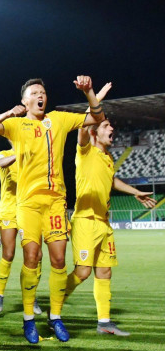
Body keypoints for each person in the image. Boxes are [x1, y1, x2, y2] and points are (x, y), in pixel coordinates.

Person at [0, 75, 104, 343]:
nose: (40, 96)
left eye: (43, 92)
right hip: (28, 204)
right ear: (25, 101)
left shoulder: (59, 119)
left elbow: (95, 117)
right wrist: (9, 112)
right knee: (32, 256)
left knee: (59, 259)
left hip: (57, 202)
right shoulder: (17, 124)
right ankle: (28, 318)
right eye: (34, 93)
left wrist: (90, 91)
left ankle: (55, 316)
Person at [63, 83, 155, 336]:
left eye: (110, 126)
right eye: (106, 126)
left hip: (103, 223)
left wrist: (136, 192)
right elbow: (84, 124)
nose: (111, 128)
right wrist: (92, 94)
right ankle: (54, 306)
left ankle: (104, 322)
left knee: (104, 271)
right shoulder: (85, 151)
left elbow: (112, 181)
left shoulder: (107, 159)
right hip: (84, 220)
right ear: (94, 133)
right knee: (82, 273)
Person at [0, 141, 43, 315]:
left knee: (36, 255)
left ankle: (31, 295)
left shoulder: (31, 158)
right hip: (9, 210)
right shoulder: (4, 154)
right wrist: (20, 154)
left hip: (29, 210)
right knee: (9, 253)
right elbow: (0, 163)